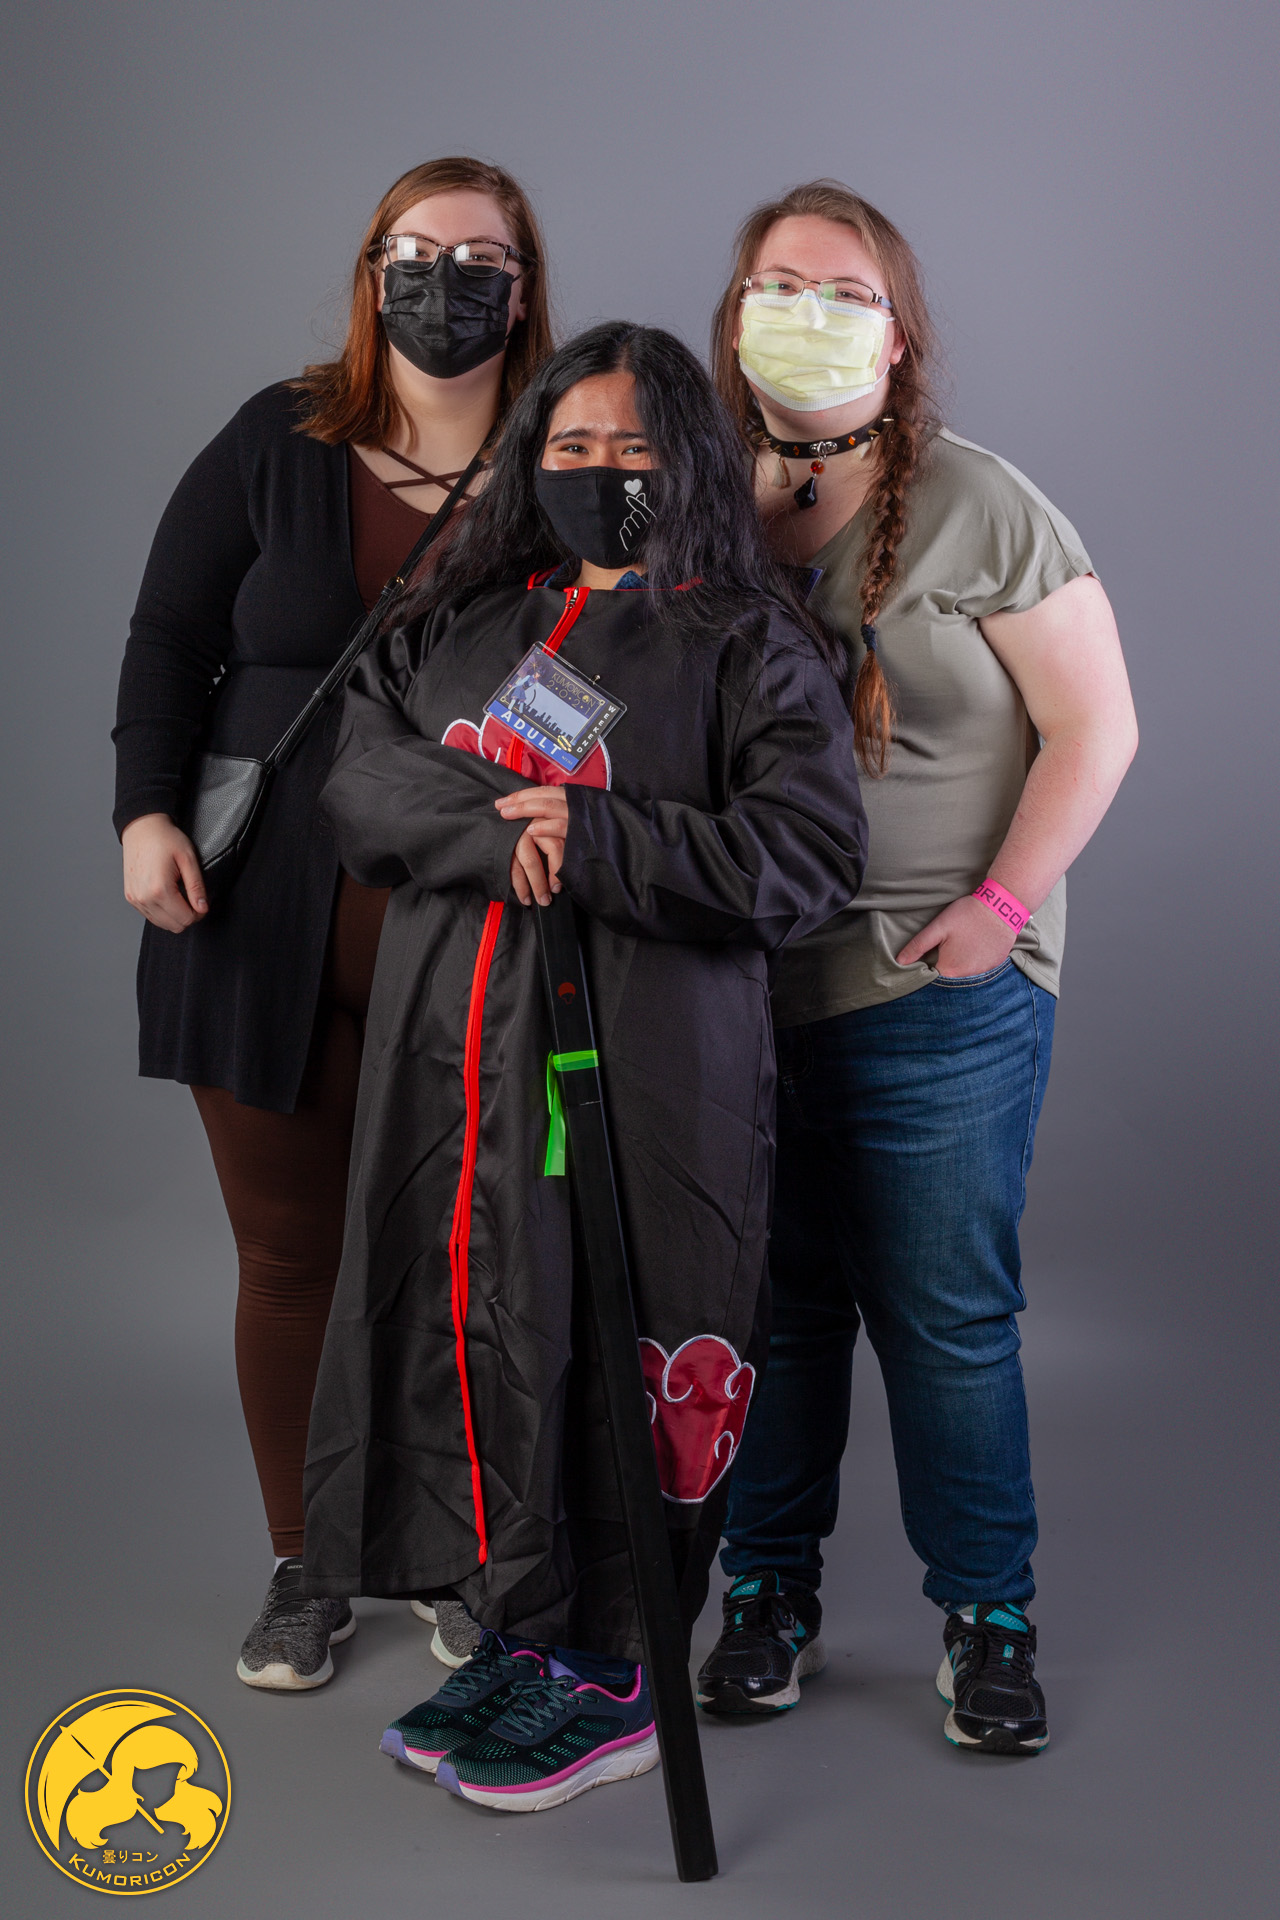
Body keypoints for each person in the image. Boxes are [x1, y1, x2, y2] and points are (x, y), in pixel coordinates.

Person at [300, 322, 867, 1810]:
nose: (602, 472)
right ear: (529, 463)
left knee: (622, 1333)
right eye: (571, 447)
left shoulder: (746, 642)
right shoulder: (464, 620)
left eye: (635, 448)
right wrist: (503, 819)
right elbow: (360, 780)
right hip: (457, 1063)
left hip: (639, 1065)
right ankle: (519, 1634)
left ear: (691, 463)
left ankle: (615, 1670)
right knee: (487, 1326)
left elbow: (808, 854)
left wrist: (600, 834)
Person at [695, 181, 1139, 1755]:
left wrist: (1002, 908)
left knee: (945, 1319)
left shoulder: (981, 504)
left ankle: (989, 1616)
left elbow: (1098, 728)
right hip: (740, 997)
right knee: (772, 1312)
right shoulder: (697, 501)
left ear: (898, 339)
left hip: (936, 988)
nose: (808, 313)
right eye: (778, 284)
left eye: (847, 292)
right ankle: (768, 1595)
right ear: (734, 317)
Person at [112, 157, 553, 1690]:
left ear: (524, 286)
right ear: (372, 273)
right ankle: (307, 1563)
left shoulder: (566, 455)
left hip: (471, 924)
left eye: (479, 257)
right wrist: (145, 814)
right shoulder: (280, 437)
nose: (444, 282)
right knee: (292, 1254)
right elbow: (170, 632)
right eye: (413, 252)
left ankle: (450, 1547)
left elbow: (623, 654)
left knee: (459, 1255)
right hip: (257, 908)